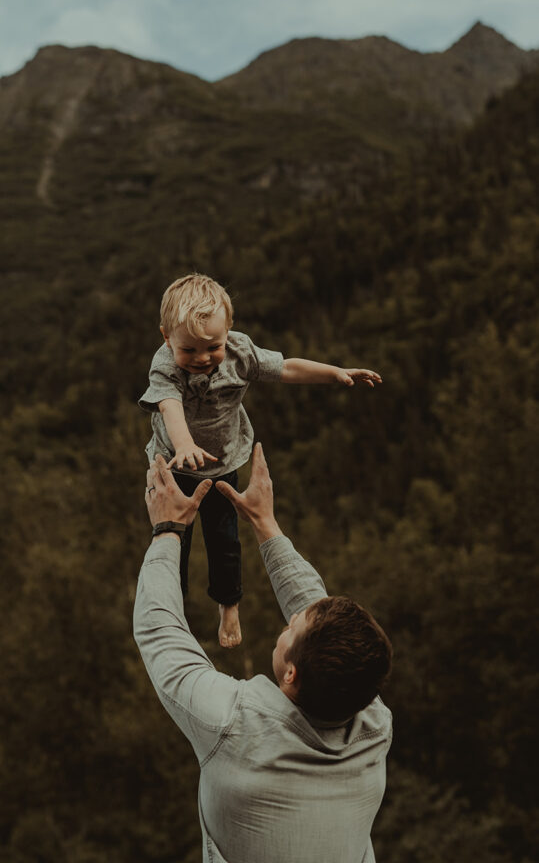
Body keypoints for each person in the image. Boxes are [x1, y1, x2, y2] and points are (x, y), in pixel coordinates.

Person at [134, 445, 393, 863]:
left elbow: (160, 633)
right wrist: (265, 523)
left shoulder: (233, 726)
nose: (287, 622)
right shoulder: (373, 723)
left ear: (290, 675)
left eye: (292, 631)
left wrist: (168, 529)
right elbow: (317, 619)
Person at [138, 273, 381, 648]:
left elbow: (286, 368)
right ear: (166, 337)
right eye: (189, 350)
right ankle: (175, 610)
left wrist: (334, 373)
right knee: (173, 539)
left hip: (222, 462)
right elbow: (169, 406)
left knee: (225, 539)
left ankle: (228, 603)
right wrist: (183, 444)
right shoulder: (165, 365)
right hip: (173, 465)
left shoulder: (240, 351)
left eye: (212, 347)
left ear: (229, 332)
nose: (201, 359)